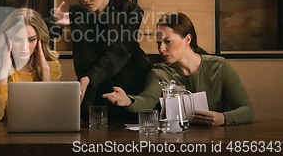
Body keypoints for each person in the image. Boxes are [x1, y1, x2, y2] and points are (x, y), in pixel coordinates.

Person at [102, 12, 254, 126]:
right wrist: (128, 100)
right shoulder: (159, 72)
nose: (161, 48)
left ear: (187, 39)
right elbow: (148, 100)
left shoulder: (219, 66)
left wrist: (224, 118)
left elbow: (247, 110)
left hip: (217, 142)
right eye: (158, 42)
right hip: (176, 141)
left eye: (167, 41)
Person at [69, 0, 152, 120]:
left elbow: (120, 53)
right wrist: (86, 106)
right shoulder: (77, 10)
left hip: (133, 81)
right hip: (98, 84)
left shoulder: (132, 11)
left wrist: (89, 78)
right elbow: (83, 56)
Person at [0, 8, 61, 121]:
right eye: (17, 40)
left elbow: (51, 114)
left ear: (39, 40)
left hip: (41, 136)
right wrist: (4, 70)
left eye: (31, 40)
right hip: (3, 136)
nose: (24, 47)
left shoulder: (52, 68)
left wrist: (45, 70)